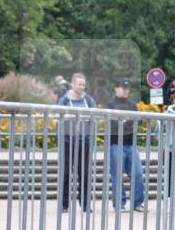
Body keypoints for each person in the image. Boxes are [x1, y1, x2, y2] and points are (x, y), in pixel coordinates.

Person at [58, 74, 98, 212]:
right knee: (66, 173)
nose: (81, 87)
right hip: (68, 141)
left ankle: (85, 205)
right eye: (79, 84)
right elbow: (59, 117)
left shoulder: (89, 100)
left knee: (85, 174)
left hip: (84, 141)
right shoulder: (64, 100)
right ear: (72, 84)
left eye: (83, 84)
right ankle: (64, 205)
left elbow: (94, 117)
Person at [107, 78, 145, 212]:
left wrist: (125, 122)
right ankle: (119, 204)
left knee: (138, 174)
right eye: (123, 88)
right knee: (117, 175)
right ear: (116, 88)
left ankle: (137, 202)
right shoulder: (110, 105)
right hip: (116, 144)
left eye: (127, 88)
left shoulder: (133, 105)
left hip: (131, 144)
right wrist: (129, 121)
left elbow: (139, 121)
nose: (125, 90)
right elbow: (113, 123)